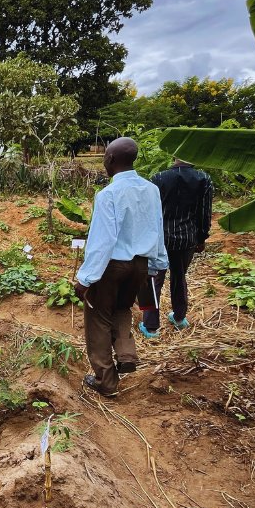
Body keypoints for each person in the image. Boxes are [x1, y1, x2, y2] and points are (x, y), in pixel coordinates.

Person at [73, 138, 168, 396]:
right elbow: (157, 228)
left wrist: (86, 279)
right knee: (123, 309)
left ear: (111, 159)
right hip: (140, 265)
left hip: (112, 266)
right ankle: (126, 354)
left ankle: (106, 381)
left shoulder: (108, 195)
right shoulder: (151, 190)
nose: (104, 159)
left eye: (105, 156)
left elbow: (103, 241)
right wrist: (159, 263)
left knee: (99, 317)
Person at [139, 159, 213, 337]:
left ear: (174, 157)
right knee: (180, 277)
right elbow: (205, 212)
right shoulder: (203, 179)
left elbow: (149, 211)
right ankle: (179, 317)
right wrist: (201, 238)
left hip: (160, 237)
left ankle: (150, 326)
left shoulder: (158, 178)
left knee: (153, 279)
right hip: (187, 239)